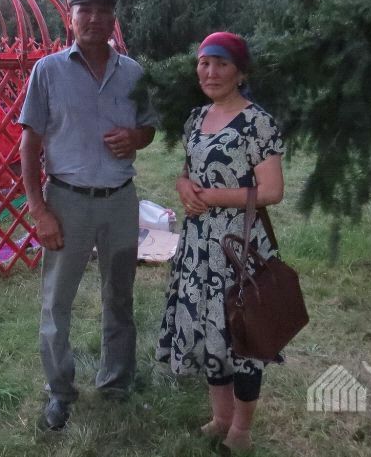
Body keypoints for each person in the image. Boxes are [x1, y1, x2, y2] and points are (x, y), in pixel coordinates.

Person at [19, 0, 157, 431]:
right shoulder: (48, 71)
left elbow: (149, 128)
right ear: (70, 18)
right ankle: (60, 391)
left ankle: (116, 383)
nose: (94, 18)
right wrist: (39, 210)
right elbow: (29, 144)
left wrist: (136, 138)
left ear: (114, 19)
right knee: (57, 301)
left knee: (120, 295)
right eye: (85, 11)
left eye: (103, 11)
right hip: (67, 201)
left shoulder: (133, 73)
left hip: (119, 200)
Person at [156, 31, 285, 453]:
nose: (210, 72)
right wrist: (182, 185)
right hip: (198, 246)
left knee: (242, 334)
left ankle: (241, 431)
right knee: (209, 330)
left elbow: (271, 190)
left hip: (238, 245)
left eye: (221, 64)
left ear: (240, 73)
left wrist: (211, 197)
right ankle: (220, 417)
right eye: (204, 63)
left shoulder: (257, 122)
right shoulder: (196, 118)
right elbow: (189, 170)